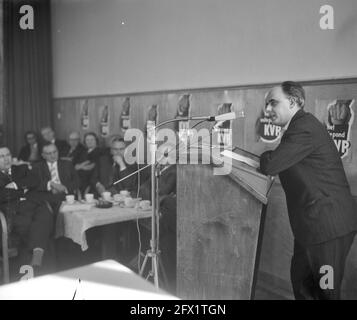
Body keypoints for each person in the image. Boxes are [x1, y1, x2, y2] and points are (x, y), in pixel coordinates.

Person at [260, 81, 357, 300]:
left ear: (294, 102)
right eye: (266, 104)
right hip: (311, 227)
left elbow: (271, 164)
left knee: (325, 292)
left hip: (328, 228)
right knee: (302, 284)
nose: (267, 110)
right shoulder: (299, 127)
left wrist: (266, 155)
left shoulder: (304, 127)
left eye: (273, 103)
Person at [0, 146, 53, 274]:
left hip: (33, 204)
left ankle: (35, 262)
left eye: (8, 155)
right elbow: (1, 195)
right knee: (33, 225)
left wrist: (15, 185)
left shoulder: (20, 168)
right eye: (1, 156)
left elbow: (35, 180)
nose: (6, 158)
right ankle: (36, 262)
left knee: (46, 212)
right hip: (14, 211)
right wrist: (23, 190)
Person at [31, 143, 79, 214]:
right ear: (43, 155)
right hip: (47, 197)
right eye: (49, 153)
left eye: (54, 152)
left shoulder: (67, 164)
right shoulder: (37, 167)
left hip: (66, 195)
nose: (53, 155)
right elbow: (34, 184)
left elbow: (77, 181)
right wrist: (51, 185)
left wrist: (64, 188)